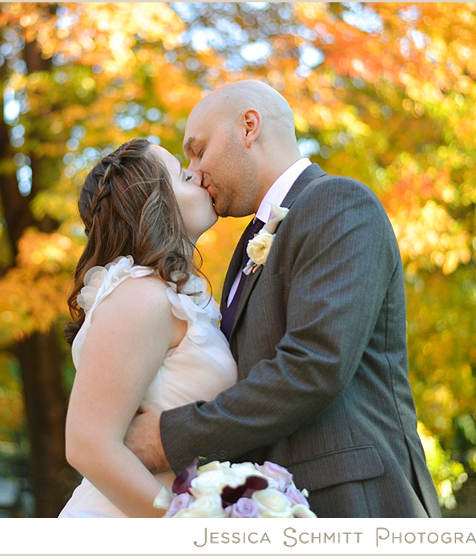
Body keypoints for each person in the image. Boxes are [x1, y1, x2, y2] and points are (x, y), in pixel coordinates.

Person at [124, 80, 442, 518]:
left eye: (198, 150)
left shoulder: (339, 202)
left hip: (353, 501)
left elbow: (314, 363)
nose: (194, 171)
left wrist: (169, 439)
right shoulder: (247, 246)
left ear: (249, 127)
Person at [58, 138, 237, 517]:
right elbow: (88, 445)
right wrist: (180, 522)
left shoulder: (167, 297)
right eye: (184, 176)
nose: (200, 175)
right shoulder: (142, 296)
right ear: (155, 205)